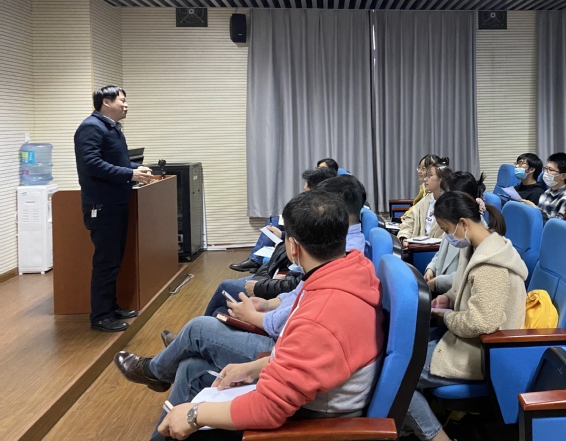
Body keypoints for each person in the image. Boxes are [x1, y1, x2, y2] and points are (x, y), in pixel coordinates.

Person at [118, 189, 385, 441]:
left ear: (293, 247)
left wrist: (194, 415)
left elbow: (268, 408)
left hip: (314, 420)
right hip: (315, 396)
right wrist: (254, 367)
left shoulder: (320, 316)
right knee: (190, 368)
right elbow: (313, 358)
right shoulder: (352, 269)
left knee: (191, 397)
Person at [403, 191, 527, 441]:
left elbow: (482, 322)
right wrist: (448, 298)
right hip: (467, 342)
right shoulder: (475, 246)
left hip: (483, 352)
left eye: (446, 230)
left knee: (399, 376)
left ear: (463, 223)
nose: (447, 236)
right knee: (403, 356)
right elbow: (463, 289)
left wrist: (446, 316)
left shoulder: (490, 265)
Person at [204, 174, 367, 318]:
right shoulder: (346, 244)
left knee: (204, 321)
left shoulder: (345, 250)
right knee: (219, 313)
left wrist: (256, 314)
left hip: (281, 321)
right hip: (283, 299)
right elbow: (301, 288)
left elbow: (298, 308)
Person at [74, 85, 153, 333]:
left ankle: (111, 307)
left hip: (115, 202)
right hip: (102, 204)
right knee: (106, 261)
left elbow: (117, 161)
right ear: (106, 102)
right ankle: (100, 316)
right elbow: (92, 164)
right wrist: (129, 173)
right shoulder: (91, 127)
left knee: (114, 259)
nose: (126, 105)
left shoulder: (112, 127)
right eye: (122, 100)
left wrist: (135, 168)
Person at [229, 166, 338, 272]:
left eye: (306, 187)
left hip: (302, 262)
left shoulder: (318, 211)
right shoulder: (328, 204)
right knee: (274, 221)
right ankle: (255, 260)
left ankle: (257, 262)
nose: (304, 188)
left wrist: (282, 238)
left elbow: (306, 236)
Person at [423, 171, 506, 296]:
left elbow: (467, 277)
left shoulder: (475, 236)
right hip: (448, 294)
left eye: (448, 196)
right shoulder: (454, 225)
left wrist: (438, 282)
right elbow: (440, 253)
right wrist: (431, 268)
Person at [398, 163, 451, 242]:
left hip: (436, 247)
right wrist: (404, 237)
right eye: (426, 176)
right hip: (417, 246)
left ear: (442, 179)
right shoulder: (425, 201)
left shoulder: (451, 204)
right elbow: (409, 221)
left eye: (430, 175)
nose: (425, 179)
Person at [526, 152, 566, 221]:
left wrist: (534, 209)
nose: (546, 172)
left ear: (563, 176)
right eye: (546, 169)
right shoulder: (546, 192)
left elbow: (557, 224)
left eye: (550, 170)